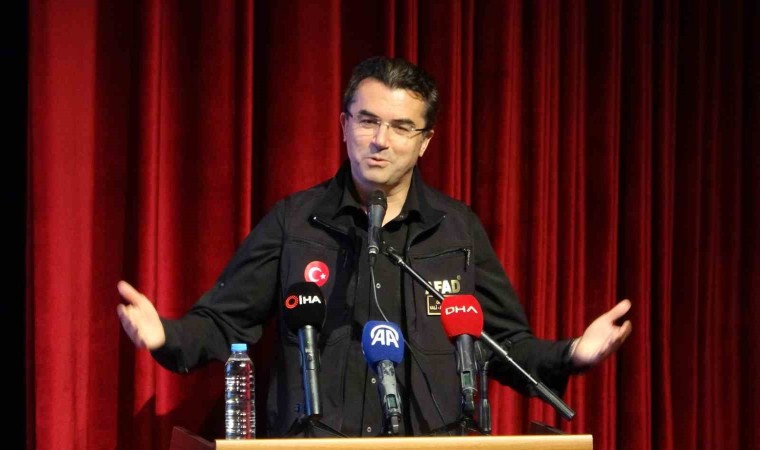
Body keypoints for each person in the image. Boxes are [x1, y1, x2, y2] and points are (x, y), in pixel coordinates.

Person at [116, 55, 632, 438]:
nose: (381, 140)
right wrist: (165, 336)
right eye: (368, 120)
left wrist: (572, 354)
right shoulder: (296, 221)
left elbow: (502, 345)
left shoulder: (456, 229)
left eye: (402, 127)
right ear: (345, 125)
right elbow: (224, 323)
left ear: (425, 141)